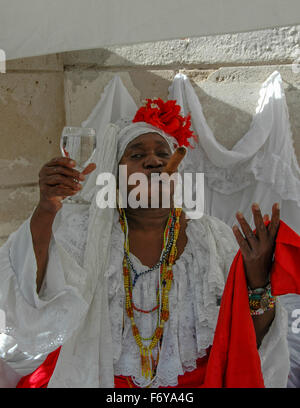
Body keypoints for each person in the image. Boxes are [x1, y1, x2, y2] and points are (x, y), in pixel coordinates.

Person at [0, 99, 292, 388]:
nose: (154, 161)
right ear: (115, 177)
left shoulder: (214, 238)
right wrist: (46, 209)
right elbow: (30, 297)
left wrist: (258, 278)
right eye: (137, 156)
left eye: (164, 154)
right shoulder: (85, 231)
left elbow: (249, 345)